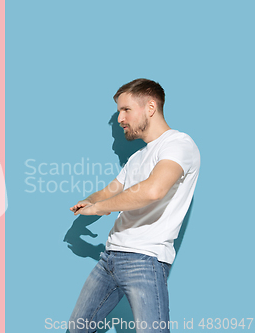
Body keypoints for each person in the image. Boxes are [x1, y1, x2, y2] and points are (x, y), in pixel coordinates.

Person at [68, 78, 200, 333]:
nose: (120, 118)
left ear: (150, 107)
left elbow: (153, 190)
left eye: (126, 110)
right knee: (76, 329)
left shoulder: (179, 144)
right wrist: (90, 201)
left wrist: (100, 207)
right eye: (119, 111)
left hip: (145, 259)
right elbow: (109, 191)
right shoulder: (138, 157)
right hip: (110, 258)